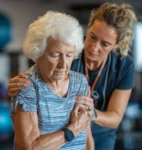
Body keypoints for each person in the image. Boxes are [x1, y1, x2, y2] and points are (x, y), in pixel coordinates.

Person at [8, 3, 137, 150]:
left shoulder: (123, 66)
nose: (94, 48)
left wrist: (88, 114)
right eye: (92, 37)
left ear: (116, 45)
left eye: (105, 44)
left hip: (102, 136)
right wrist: (19, 84)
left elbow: (114, 118)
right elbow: (40, 70)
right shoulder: (69, 45)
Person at [10, 11, 95, 150]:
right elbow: (30, 147)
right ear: (38, 53)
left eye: (69, 55)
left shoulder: (80, 82)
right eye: (56, 55)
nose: (63, 64)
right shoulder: (27, 87)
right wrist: (72, 130)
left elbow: (87, 136)